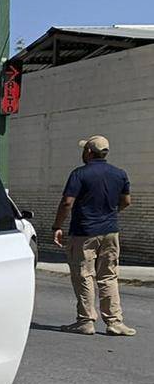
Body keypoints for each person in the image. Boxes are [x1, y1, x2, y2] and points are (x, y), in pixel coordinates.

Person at [51, 135, 135, 336]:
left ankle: (86, 320)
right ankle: (114, 321)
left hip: (84, 232)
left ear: (88, 152)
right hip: (110, 232)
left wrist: (57, 226)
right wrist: (110, 214)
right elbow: (126, 201)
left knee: (84, 275)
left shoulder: (79, 174)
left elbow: (67, 202)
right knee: (109, 276)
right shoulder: (119, 174)